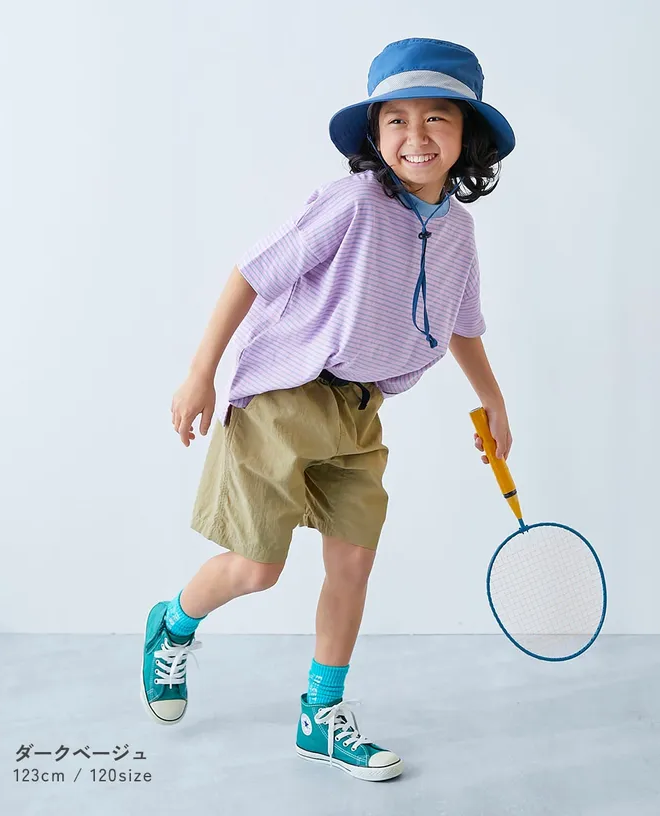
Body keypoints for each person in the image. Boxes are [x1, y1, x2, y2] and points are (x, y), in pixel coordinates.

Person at [140, 37, 516, 782]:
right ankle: (172, 624)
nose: (416, 135)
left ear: (466, 135)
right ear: (375, 134)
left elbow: (461, 322)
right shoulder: (352, 204)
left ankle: (321, 715)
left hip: (359, 412)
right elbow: (252, 272)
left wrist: (493, 398)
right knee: (257, 569)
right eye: (396, 119)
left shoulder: (458, 231)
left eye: (436, 118)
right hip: (283, 399)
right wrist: (199, 373)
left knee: (353, 561)